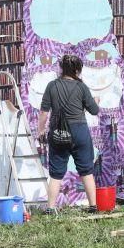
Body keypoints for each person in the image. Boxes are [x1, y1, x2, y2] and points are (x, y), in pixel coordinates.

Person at [37, 54, 100, 214]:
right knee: (86, 170)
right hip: (79, 131)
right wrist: (96, 101)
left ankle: (51, 208)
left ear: (61, 69)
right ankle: (93, 207)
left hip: (58, 132)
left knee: (56, 173)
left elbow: (44, 112)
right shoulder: (81, 87)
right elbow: (94, 110)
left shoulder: (52, 86)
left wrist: (40, 130)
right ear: (77, 70)